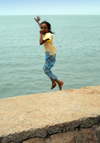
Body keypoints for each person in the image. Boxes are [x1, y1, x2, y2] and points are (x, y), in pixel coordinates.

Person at [34, 16, 63, 90]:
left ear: (49, 29)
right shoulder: (45, 32)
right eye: (42, 28)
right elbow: (41, 27)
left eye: (45, 28)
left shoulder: (49, 35)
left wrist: (40, 33)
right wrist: (38, 22)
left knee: (46, 70)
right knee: (46, 69)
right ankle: (54, 82)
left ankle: (58, 82)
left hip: (50, 55)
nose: (42, 29)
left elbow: (40, 43)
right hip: (49, 53)